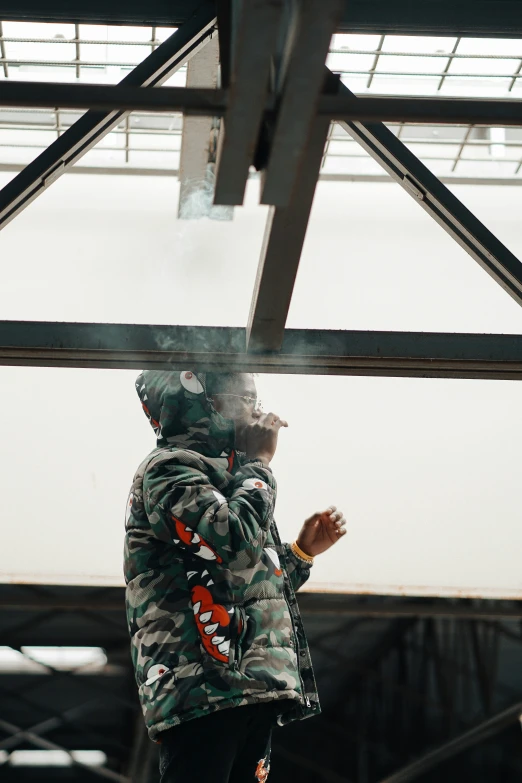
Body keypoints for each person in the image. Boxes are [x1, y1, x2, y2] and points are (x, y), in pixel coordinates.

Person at [124, 370, 347, 782]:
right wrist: (260, 464)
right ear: (205, 402)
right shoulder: (169, 469)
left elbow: (237, 587)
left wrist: (299, 554)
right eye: (247, 398)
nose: (259, 412)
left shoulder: (230, 474)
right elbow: (232, 538)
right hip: (203, 689)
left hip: (247, 688)